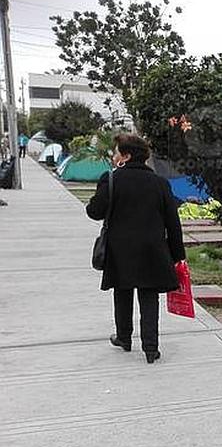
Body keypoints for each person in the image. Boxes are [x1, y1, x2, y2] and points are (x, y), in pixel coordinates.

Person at [86, 133, 185, 363]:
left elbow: (94, 212)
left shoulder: (111, 179)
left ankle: (124, 337)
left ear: (126, 156)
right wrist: (177, 255)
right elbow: (173, 222)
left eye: (116, 151)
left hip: (120, 249)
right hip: (153, 248)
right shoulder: (160, 183)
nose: (113, 155)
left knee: (122, 292)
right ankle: (151, 348)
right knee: (149, 296)